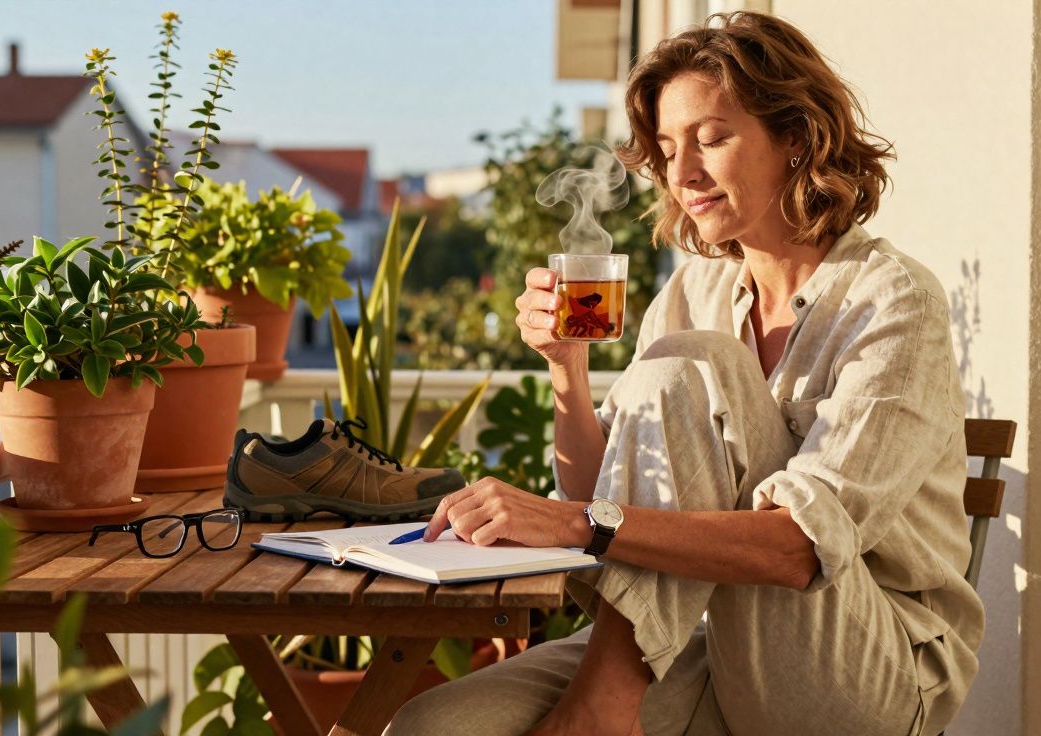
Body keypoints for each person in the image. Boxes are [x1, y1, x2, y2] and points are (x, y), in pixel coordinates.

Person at [388, 11, 981, 736]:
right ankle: (607, 700)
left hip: (866, 668)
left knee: (696, 364)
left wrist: (575, 520)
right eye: (668, 149)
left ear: (796, 138)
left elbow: (797, 550)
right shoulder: (692, 293)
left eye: (712, 139)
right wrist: (567, 373)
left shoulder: (892, 303)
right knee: (436, 726)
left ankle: (605, 706)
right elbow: (601, 494)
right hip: (706, 640)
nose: (683, 173)